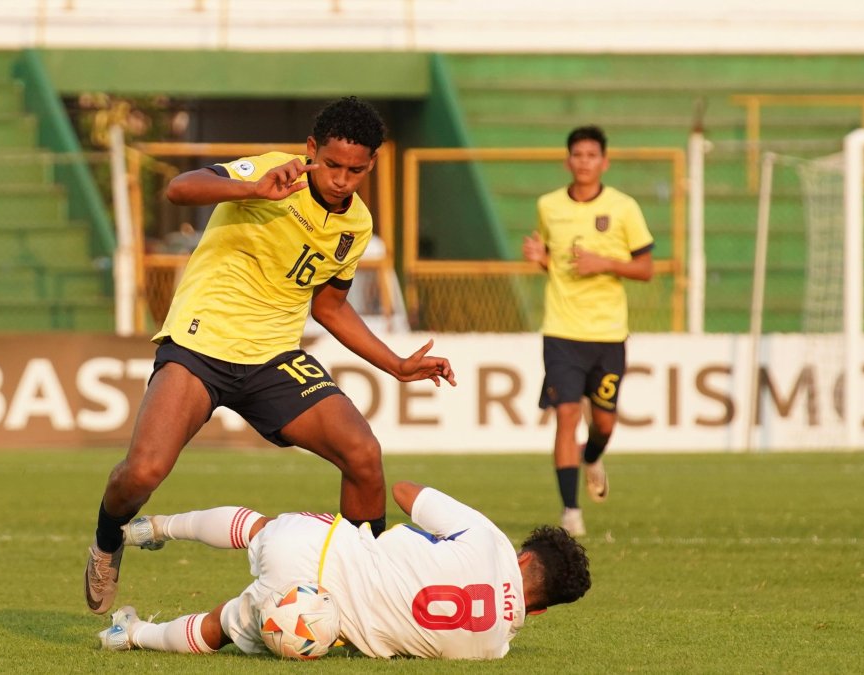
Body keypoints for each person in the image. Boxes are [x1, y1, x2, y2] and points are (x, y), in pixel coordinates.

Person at [85, 97, 456, 614]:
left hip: (273, 357)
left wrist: (395, 364)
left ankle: (368, 593)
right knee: (144, 473)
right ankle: (106, 542)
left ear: (371, 164)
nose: (342, 179)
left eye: (356, 170)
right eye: (331, 165)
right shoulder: (270, 171)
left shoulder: (357, 226)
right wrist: (250, 188)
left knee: (364, 456)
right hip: (201, 343)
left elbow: (329, 305)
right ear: (311, 150)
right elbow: (179, 188)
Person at [96, 480, 591, 659]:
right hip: (323, 623)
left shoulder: (488, 539)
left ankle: (153, 528)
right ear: (540, 612)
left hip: (322, 550)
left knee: (260, 528)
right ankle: (130, 635)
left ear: (524, 556)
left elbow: (405, 492)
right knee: (221, 625)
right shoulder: (492, 649)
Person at [522, 125, 654, 537]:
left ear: (604, 162)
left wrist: (605, 263)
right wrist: (540, 259)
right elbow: (554, 260)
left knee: (604, 425)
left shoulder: (624, 208)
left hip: (608, 334)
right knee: (565, 416)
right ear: (568, 161)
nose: (584, 162)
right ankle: (571, 512)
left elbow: (646, 268)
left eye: (591, 155)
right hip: (561, 331)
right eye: (577, 155)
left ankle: (593, 457)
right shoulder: (548, 206)